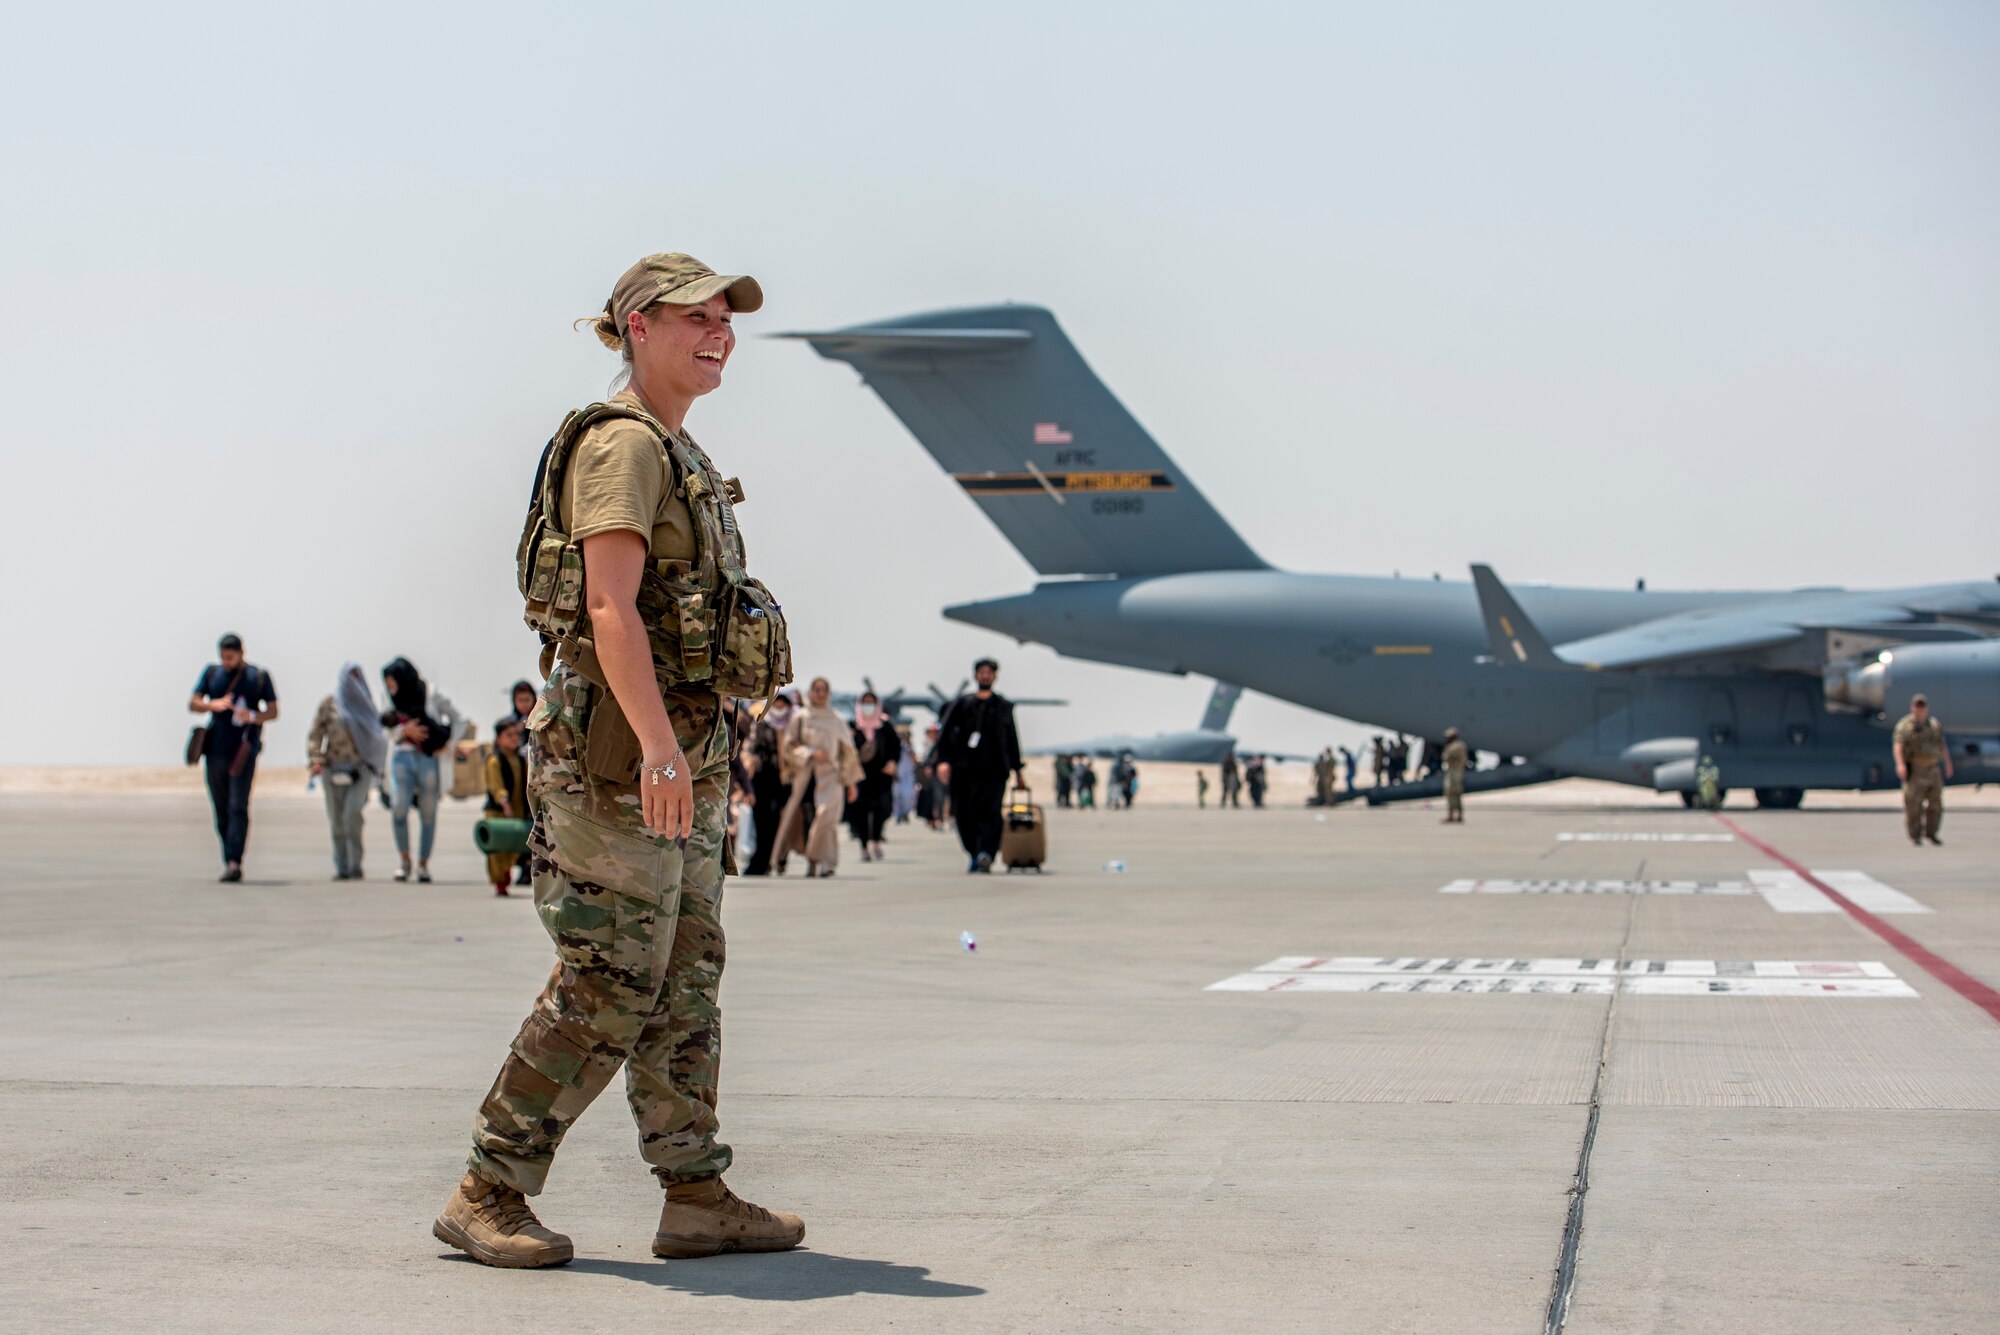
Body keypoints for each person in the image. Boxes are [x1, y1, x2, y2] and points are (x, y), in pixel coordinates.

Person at [438, 251, 803, 1269]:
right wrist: (653, 748)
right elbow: (607, 605)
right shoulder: (623, 448)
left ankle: (694, 1192)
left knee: (684, 974)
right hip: (619, 756)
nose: (719, 331)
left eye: (727, 318)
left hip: (679, 747)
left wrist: (682, 748)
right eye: (695, 317)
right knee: (609, 978)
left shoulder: (680, 451)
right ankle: (487, 1187)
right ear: (637, 326)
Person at [188, 633, 279, 882]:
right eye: (223, 657)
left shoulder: (258, 677)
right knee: (221, 807)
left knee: (238, 805)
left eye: (230, 657)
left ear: (241, 653)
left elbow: (273, 711)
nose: (226, 661)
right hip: (215, 750)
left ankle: (234, 861)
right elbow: (193, 703)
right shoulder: (212, 674)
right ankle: (228, 855)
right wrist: (213, 704)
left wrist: (252, 716)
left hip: (243, 752)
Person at [934, 658, 1023, 873]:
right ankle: (973, 852)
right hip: (964, 771)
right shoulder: (961, 705)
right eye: (982, 672)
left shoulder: (1003, 707)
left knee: (991, 813)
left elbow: (1012, 739)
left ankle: (986, 854)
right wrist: (942, 761)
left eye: (989, 672)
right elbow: (944, 735)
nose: (985, 676)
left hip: (994, 771)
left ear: (995, 677)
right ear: (975, 676)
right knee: (964, 814)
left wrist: (1018, 771)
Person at [306, 662, 386, 880]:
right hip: (333, 769)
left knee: (353, 814)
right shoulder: (330, 705)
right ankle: (342, 867)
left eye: (356, 676)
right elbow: (315, 734)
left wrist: (379, 766)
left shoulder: (367, 706)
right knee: (337, 820)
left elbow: (378, 738)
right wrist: (316, 759)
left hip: (360, 770)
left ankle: (356, 864)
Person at [775, 677, 861, 876]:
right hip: (806, 777)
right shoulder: (801, 718)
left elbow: (848, 752)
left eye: (824, 690)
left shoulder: (836, 719)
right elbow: (789, 747)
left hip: (831, 777)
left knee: (826, 818)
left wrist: (851, 783)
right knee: (804, 819)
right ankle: (809, 860)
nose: (820, 694)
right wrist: (810, 753)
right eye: (816, 690)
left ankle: (825, 861)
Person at [381, 657, 450, 884]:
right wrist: (404, 730)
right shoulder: (388, 700)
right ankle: (404, 860)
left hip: (428, 758)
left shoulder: (429, 695)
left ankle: (423, 864)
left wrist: (448, 745)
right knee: (398, 808)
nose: (391, 688)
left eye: (393, 683)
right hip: (401, 757)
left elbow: (458, 719)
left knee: (428, 811)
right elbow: (383, 730)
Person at [741, 691, 794, 876]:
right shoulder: (762, 720)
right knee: (762, 822)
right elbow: (753, 747)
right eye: (776, 704)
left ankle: (776, 859)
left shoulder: (794, 723)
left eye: (782, 705)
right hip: (762, 778)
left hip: (785, 781)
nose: (778, 708)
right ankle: (760, 862)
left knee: (778, 822)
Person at [849, 690, 903, 862]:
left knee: (883, 807)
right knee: (860, 812)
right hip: (860, 777)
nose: (868, 706)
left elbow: (896, 747)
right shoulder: (853, 726)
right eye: (865, 702)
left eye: (872, 702)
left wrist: (893, 762)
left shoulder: (885, 725)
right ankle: (864, 845)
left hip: (881, 776)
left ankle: (876, 838)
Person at [1893, 693, 1952, 847]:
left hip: (1933, 768)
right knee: (1913, 804)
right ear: (1912, 707)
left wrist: (1947, 764)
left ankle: (1932, 833)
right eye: (1917, 706)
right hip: (1916, 769)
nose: (1920, 709)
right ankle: (1915, 835)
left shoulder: (1934, 725)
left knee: (1936, 803)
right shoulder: (1905, 726)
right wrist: (1900, 764)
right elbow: (1898, 746)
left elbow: (1942, 744)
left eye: (1922, 706)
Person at [483, 716, 528, 896]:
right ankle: (501, 884)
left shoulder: (520, 759)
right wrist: (504, 802)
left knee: (512, 848)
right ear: (499, 738)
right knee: (498, 851)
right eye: (509, 735)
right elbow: (496, 786)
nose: (514, 738)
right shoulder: (494, 760)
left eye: (516, 734)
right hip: (498, 813)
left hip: (517, 809)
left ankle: (506, 879)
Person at [1441, 727, 1469, 824]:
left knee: (1452, 794)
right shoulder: (1460, 745)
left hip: (1454, 772)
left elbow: (1447, 757)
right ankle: (1456, 815)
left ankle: (1453, 816)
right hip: (1456, 772)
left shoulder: (1455, 747)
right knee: (1456, 795)